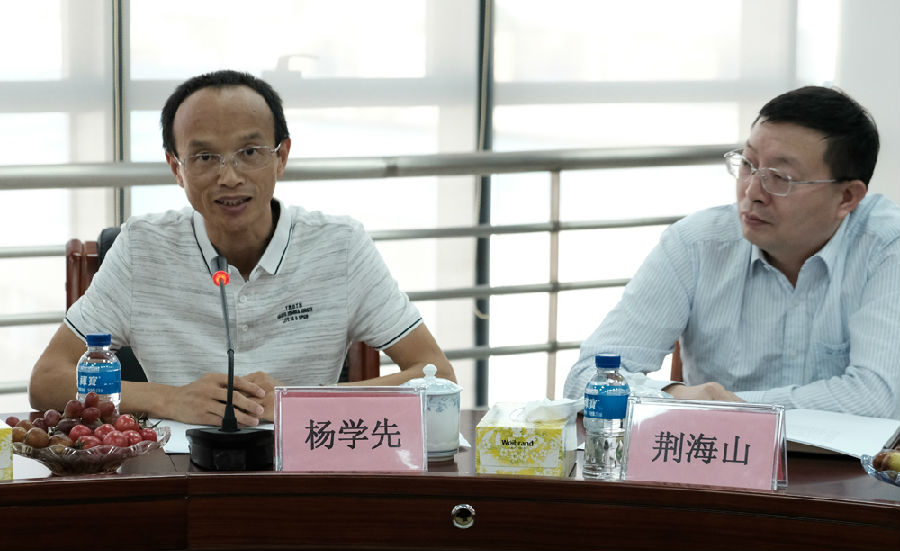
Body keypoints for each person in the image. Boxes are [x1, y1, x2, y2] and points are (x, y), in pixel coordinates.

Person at [30, 69, 455, 427]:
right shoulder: (142, 248)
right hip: (179, 474)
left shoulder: (339, 247)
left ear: (281, 157)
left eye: (249, 152)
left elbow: (435, 374)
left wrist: (297, 402)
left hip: (303, 471)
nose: (229, 177)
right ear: (176, 168)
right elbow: (47, 380)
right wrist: (169, 398)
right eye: (205, 158)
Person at [564, 86, 899, 418]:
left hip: (845, 458)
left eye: (780, 177)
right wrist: (673, 395)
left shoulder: (887, 246)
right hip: (716, 451)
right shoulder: (696, 244)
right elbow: (587, 379)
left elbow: (873, 399)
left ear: (847, 198)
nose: (752, 192)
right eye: (748, 164)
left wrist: (724, 407)